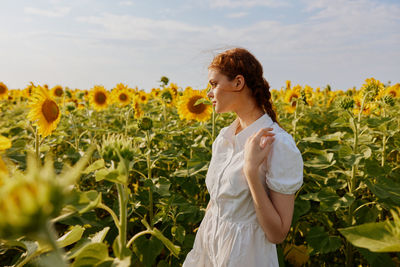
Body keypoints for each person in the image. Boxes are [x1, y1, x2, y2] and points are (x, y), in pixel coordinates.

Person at [182, 48, 303, 267]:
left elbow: (277, 234)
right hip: (208, 251)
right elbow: (216, 204)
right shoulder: (224, 138)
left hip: (245, 257)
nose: (208, 93)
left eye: (214, 84)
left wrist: (251, 172)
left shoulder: (278, 144)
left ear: (238, 83)